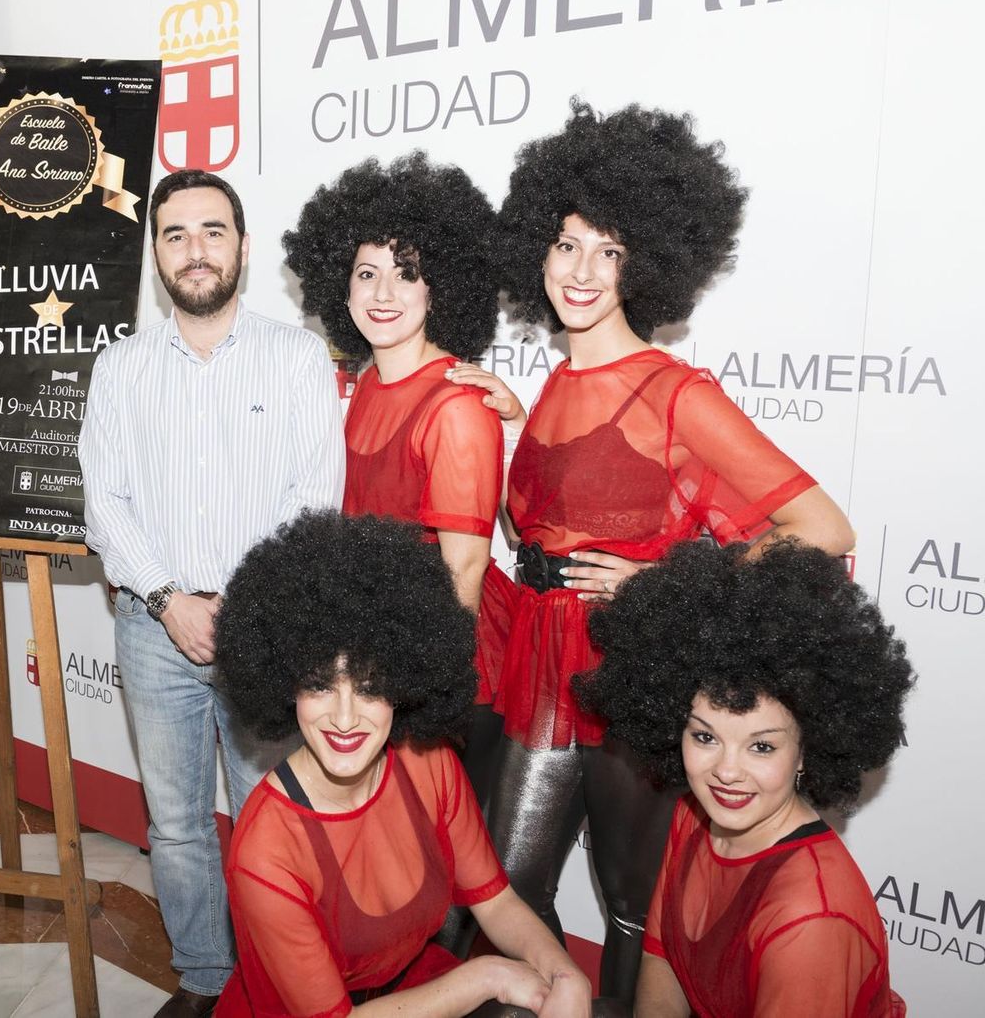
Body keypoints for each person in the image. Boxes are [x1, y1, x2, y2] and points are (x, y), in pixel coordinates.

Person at [446, 101, 856, 999]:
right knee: (505, 889)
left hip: (632, 671)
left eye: (612, 251)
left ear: (651, 266)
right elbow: (553, 517)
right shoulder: (550, 381)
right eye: (566, 244)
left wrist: (669, 580)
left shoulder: (678, 395)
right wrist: (505, 418)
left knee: (638, 910)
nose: (582, 271)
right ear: (537, 251)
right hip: (539, 667)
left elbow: (824, 532)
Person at [79, 169, 346, 1017]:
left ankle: (275, 979)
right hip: (152, 625)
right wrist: (168, 600)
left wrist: (246, 609)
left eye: (212, 231)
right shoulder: (119, 367)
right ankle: (204, 976)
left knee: (273, 820)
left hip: (263, 628)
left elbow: (315, 496)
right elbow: (103, 500)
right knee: (177, 823)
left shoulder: (297, 357)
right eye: (176, 235)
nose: (195, 252)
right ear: (156, 253)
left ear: (242, 246)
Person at [213, 511, 593, 1018]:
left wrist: (565, 972)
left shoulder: (426, 762)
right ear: (286, 684)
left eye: (369, 686)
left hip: (411, 993)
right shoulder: (266, 850)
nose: (345, 718)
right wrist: (487, 974)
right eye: (320, 684)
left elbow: (496, 902)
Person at [580, 540, 911, 1017]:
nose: (726, 772)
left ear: (806, 751)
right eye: (705, 737)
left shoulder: (811, 915)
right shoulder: (695, 814)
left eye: (762, 746)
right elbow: (661, 959)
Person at [281, 150, 506, 794]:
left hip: (440, 657)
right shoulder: (365, 389)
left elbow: (465, 568)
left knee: (441, 857)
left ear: (439, 287)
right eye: (366, 273)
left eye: (406, 274)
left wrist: (428, 686)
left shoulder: (457, 405)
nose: (383, 294)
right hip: (374, 649)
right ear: (340, 285)